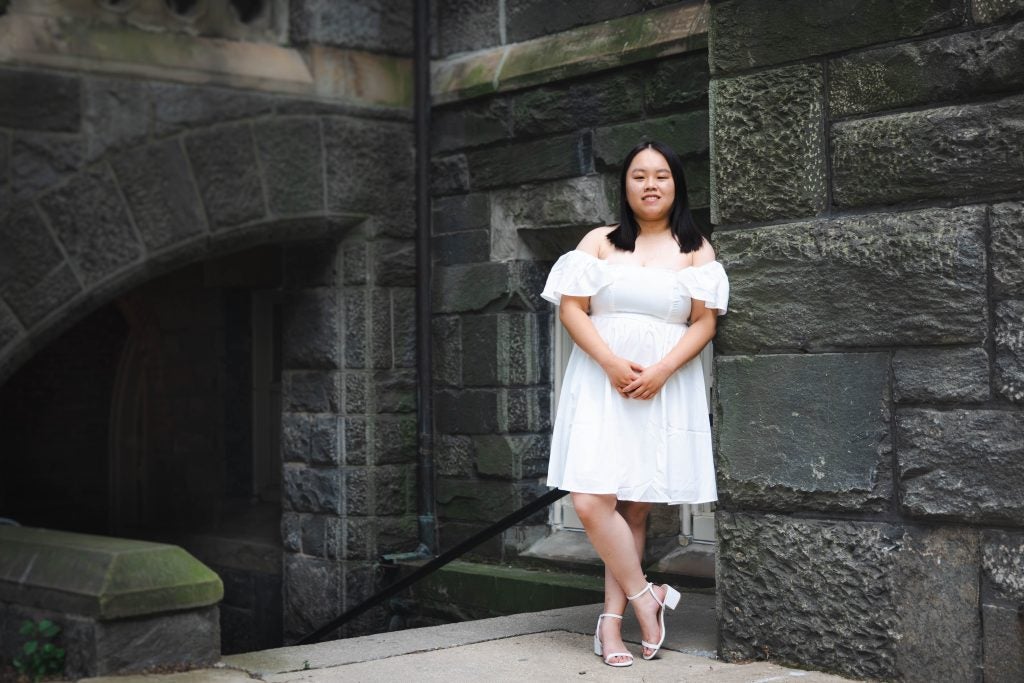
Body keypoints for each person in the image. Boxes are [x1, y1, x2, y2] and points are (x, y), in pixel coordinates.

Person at [540, 140, 729, 667]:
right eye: (639, 175)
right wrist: (611, 363)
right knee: (590, 500)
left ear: (677, 185)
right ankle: (648, 598)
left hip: (662, 385)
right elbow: (573, 311)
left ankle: (612, 625)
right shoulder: (599, 242)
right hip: (603, 380)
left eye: (662, 175)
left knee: (634, 504)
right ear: (625, 185)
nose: (650, 184)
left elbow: (706, 322)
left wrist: (663, 371)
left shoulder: (696, 248)